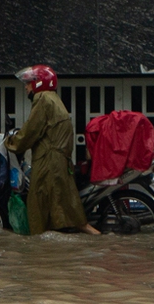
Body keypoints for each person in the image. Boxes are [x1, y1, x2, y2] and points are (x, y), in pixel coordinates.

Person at [6, 64, 95, 235]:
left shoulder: (42, 99)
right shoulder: (53, 98)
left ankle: (38, 246)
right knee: (65, 206)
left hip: (48, 162)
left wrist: (10, 142)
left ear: (39, 82)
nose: (26, 87)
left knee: (38, 204)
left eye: (28, 83)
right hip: (57, 161)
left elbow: (31, 130)